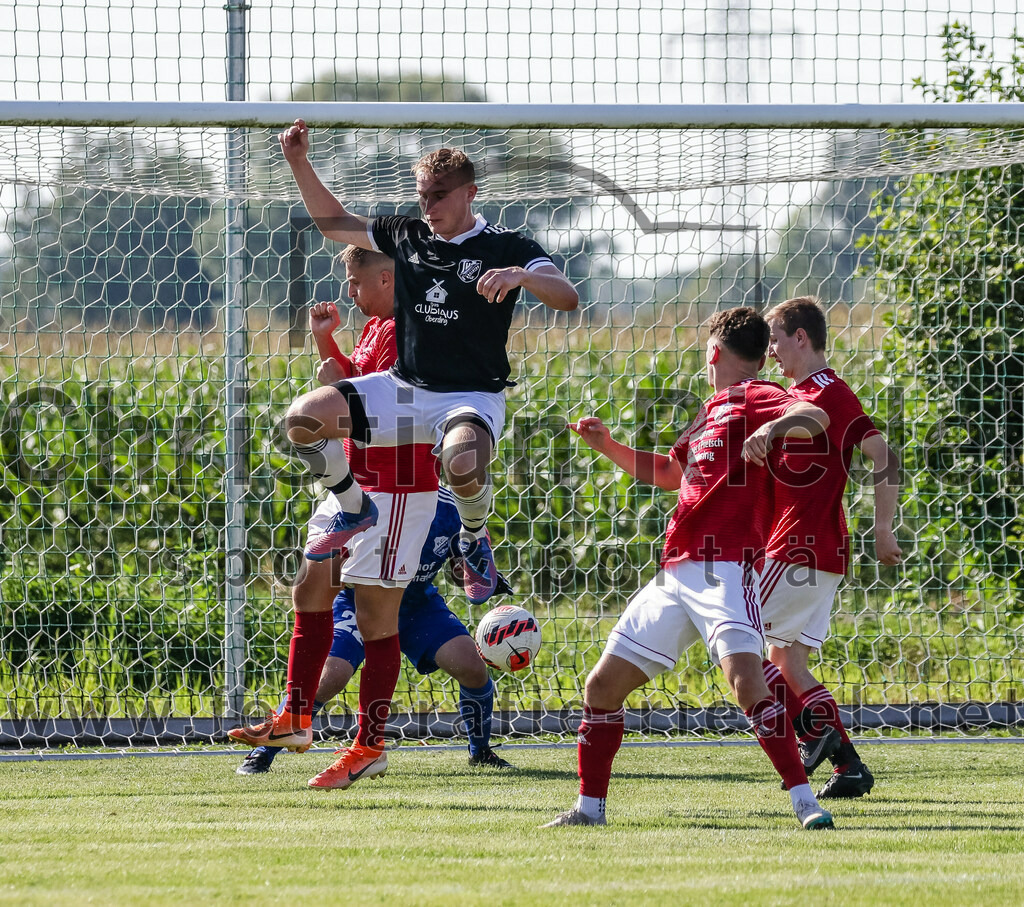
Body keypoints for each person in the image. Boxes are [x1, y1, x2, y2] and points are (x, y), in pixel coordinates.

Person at [264, 122, 577, 786]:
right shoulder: (407, 235)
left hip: (470, 396)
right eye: (422, 193)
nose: (429, 206)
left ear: (467, 192)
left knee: (463, 463)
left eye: (439, 195)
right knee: (303, 419)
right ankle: (349, 506)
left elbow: (567, 295)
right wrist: (298, 161)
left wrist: (523, 274)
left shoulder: (504, 244)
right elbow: (332, 222)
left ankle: (474, 533)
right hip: (407, 391)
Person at [544, 307, 837, 831]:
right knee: (602, 688)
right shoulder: (707, 410)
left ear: (714, 353)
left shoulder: (762, 395)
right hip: (675, 572)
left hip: (725, 570)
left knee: (748, 683)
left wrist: (773, 432)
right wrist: (607, 445)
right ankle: (589, 811)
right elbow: (668, 473)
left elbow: (818, 417)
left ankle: (804, 801)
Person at [229, 245, 442, 783]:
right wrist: (330, 349)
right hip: (355, 488)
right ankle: (297, 717)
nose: (349, 291)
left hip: (396, 493)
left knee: (376, 619)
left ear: (389, 279)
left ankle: (369, 746)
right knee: (308, 589)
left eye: (356, 281)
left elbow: (391, 411)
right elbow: (358, 390)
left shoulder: (417, 331)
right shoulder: (375, 327)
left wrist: (331, 403)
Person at [236, 485, 515, 782]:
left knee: (471, 667)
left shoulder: (453, 507)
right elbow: (330, 562)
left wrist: (478, 575)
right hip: (359, 602)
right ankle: (264, 751)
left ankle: (480, 750)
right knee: (329, 677)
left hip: (417, 605)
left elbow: (461, 565)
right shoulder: (369, 499)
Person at [758, 296, 902, 799]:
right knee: (787, 664)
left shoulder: (827, 392)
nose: (770, 349)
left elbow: (882, 452)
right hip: (819, 550)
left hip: (800, 546)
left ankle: (815, 736)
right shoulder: (798, 393)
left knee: (735, 643)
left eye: (775, 338)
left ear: (801, 337)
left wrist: (883, 528)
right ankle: (849, 767)